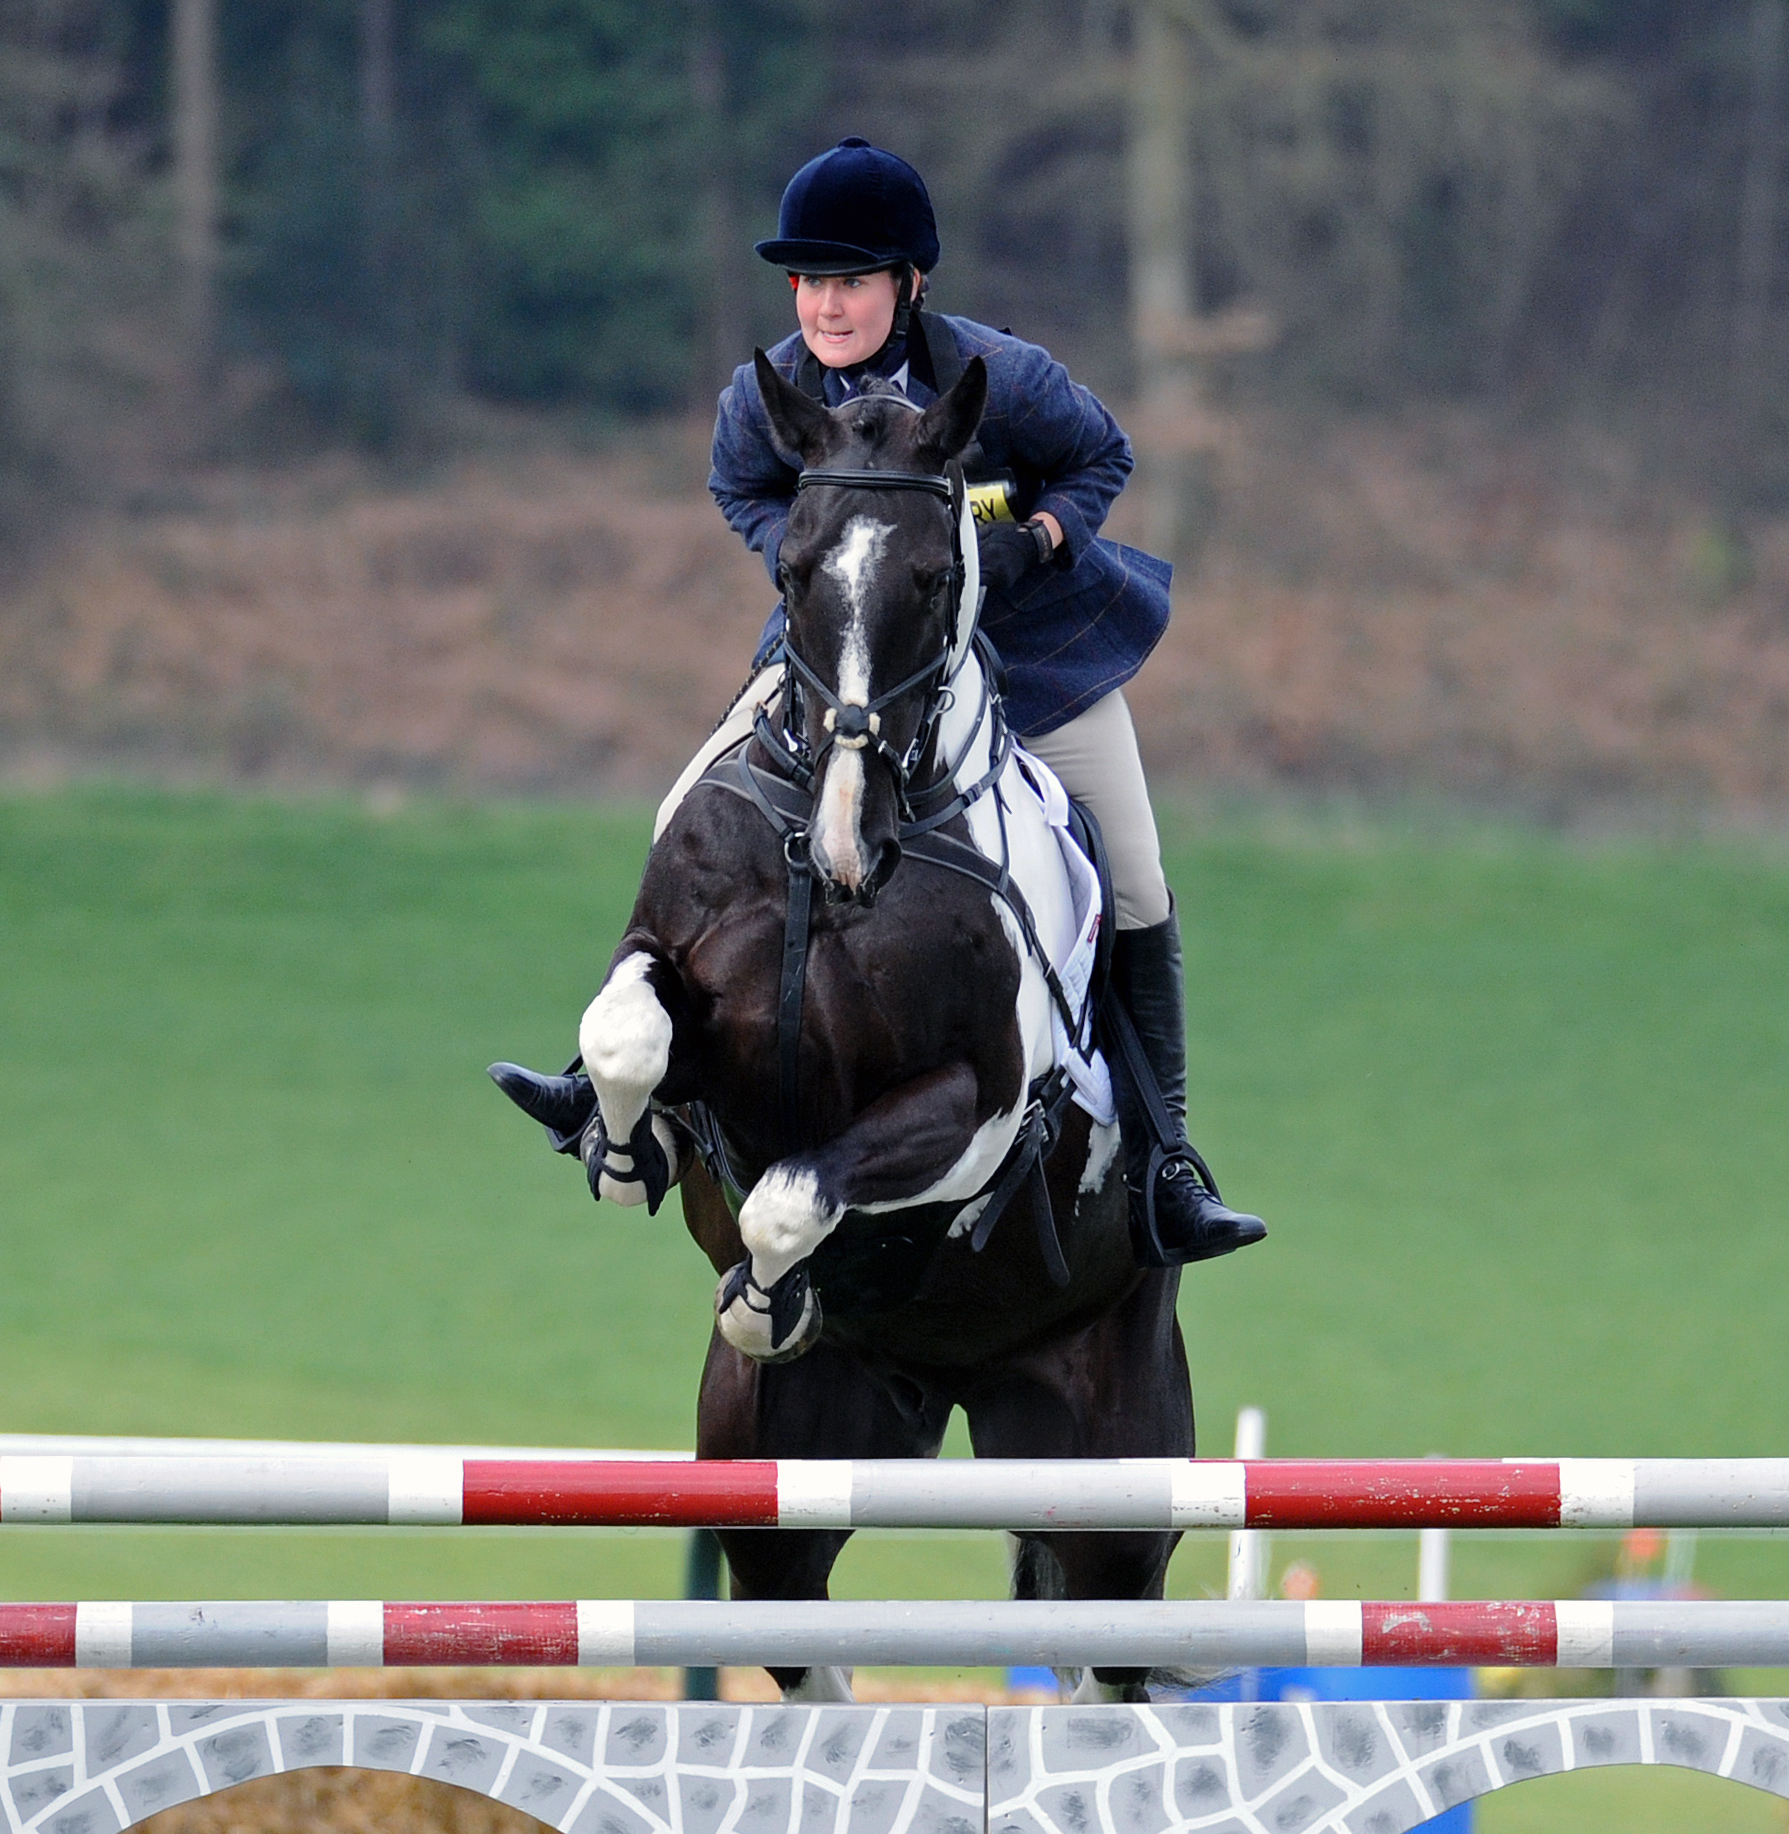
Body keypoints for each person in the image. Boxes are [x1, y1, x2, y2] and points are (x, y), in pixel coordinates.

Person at [695, 136, 1266, 1268]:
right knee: (704, 805)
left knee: (1134, 879)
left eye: (851, 280)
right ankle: (618, 1088)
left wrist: (1038, 537)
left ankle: (1165, 1161)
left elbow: (1102, 457)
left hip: (1032, 651)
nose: (824, 306)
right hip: (857, 660)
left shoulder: (1004, 376)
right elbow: (739, 488)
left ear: (909, 283)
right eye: (807, 281)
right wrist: (811, 560)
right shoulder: (766, 398)